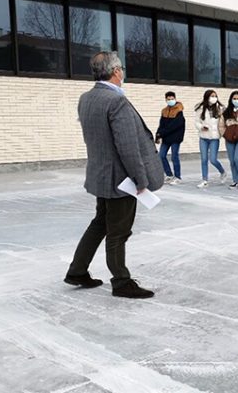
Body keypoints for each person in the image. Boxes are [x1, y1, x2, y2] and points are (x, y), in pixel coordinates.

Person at [65, 51, 163, 299]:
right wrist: (141, 179)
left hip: (100, 175)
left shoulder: (86, 98)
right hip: (121, 180)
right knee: (118, 232)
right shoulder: (116, 101)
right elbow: (127, 146)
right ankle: (121, 281)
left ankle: (77, 271)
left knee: (100, 224)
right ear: (116, 71)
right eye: (122, 69)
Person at [195, 89, 228, 188]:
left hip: (214, 138)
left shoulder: (221, 108)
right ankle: (204, 180)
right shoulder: (200, 108)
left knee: (213, 159)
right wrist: (201, 127)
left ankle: (222, 172)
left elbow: (224, 121)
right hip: (203, 137)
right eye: (212, 96)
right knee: (204, 159)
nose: (214, 98)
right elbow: (196, 122)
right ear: (207, 97)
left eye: (215, 96)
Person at [155, 91, 185, 185]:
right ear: (165, 100)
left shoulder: (179, 110)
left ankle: (178, 177)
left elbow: (175, 125)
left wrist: (162, 133)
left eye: (172, 99)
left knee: (174, 157)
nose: (170, 100)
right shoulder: (164, 111)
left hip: (175, 138)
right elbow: (161, 124)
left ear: (175, 99)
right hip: (166, 138)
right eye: (168, 99)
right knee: (161, 155)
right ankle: (169, 174)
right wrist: (158, 134)